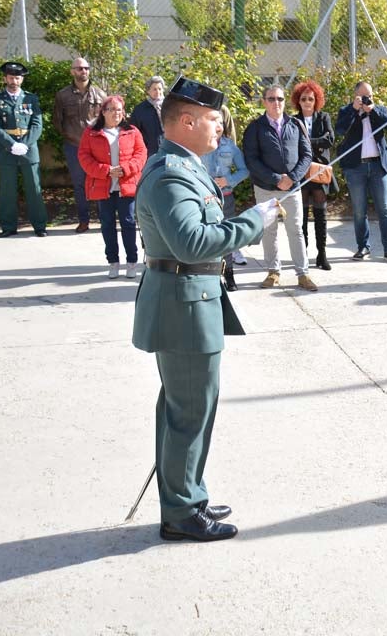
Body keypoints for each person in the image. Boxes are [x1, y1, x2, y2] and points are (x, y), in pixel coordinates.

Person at [132, 76, 280, 541]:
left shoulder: (185, 165)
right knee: (188, 411)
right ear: (188, 121)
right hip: (183, 306)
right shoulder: (172, 172)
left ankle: (188, 493)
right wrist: (252, 223)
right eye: (215, 120)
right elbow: (192, 241)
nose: (221, 128)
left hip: (191, 302)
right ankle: (180, 512)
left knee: (188, 408)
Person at [243, 84, 317, 291]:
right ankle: (273, 272)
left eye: (280, 99)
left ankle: (303, 274)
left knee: (296, 231)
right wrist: (276, 178)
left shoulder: (296, 124)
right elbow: (251, 159)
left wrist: (292, 178)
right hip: (266, 188)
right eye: (272, 99)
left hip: (292, 189)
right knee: (269, 231)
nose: (277, 103)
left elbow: (307, 155)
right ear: (264, 102)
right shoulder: (255, 127)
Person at [78, 95, 147, 278]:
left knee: (128, 223)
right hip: (103, 187)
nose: (116, 113)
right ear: (103, 112)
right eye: (111, 109)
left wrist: (125, 169)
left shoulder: (132, 131)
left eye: (119, 110)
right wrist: (106, 171)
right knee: (107, 224)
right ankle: (113, 262)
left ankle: (132, 262)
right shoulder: (91, 132)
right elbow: (84, 157)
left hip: (127, 186)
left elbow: (141, 154)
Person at [336, 81, 387, 264]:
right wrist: (354, 110)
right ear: (355, 96)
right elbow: (340, 130)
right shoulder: (346, 111)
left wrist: (372, 110)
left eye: (370, 96)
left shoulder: (379, 110)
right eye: (363, 96)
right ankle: (363, 247)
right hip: (355, 167)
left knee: (385, 210)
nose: (367, 99)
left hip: (377, 167)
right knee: (359, 211)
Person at [0, 61, 48, 237]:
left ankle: (39, 226)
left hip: (29, 150)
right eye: (11, 77)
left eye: (17, 77)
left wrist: (25, 144)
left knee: (34, 189)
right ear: (5, 78)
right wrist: (12, 145)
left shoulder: (31, 99)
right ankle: (8, 227)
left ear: (22, 79)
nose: (14, 80)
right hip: (7, 150)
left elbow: (37, 125)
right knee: (7, 190)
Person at [54, 57, 107, 233]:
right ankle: (84, 220)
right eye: (79, 68)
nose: (83, 71)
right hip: (74, 146)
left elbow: (106, 120)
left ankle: (103, 219)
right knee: (79, 184)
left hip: (97, 145)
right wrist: (71, 136)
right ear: (72, 71)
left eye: (85, 68)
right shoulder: (62, 95)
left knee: (100, 180)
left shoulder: (100, 94)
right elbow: (58, 121)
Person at [200, 106, 250, 290]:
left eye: (221, 122)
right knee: (209, 237)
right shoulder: (199, 144)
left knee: (227, 236)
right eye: (214, 121)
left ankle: (229, 274)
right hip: (205, 198)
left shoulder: (230, 146)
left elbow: (244, 170)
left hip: (226, 197)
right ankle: (211, 276)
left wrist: (228, 180)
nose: (218, 126)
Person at [291, 79, 336, 270]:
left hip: (319, 171)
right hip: (301, 172)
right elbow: (292, 144)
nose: (307, 102)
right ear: (298, 101)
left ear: (316, 100)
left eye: (311, 98)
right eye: (303, 99)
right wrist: (317, 141)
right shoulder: (293, 120)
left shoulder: (323, 117)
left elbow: (330, 140)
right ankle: (304, 255)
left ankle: (322, 254)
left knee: (321, 214)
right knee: (301, 216)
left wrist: (308, 141)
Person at [130, 76, 167, 157]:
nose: (158, 91)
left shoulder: (169, 106)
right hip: (149, 154)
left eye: (160, 89)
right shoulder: (140, 110)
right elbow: (133, 132)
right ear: (148, 91)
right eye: (154, 89)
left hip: (170, 151)